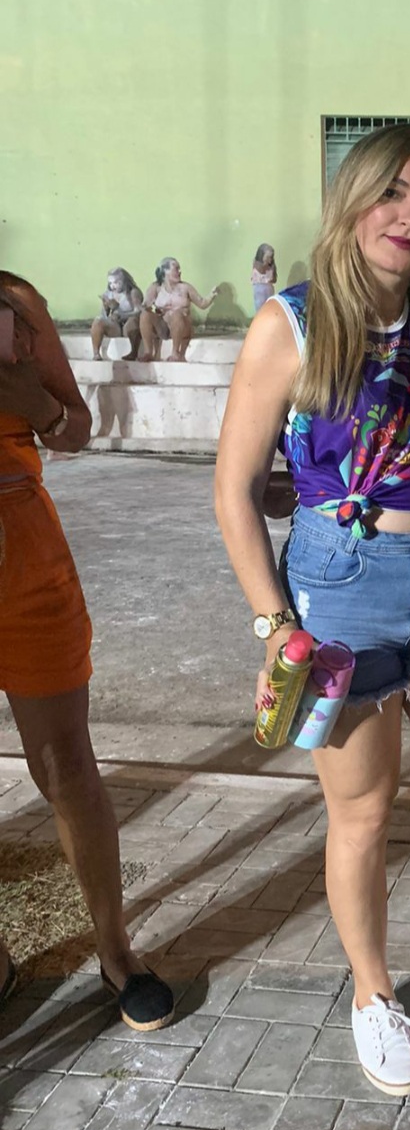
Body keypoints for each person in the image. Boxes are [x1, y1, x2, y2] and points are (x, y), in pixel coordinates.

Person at [215, 124, 410, 1098]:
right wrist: (275, 625)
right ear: (352, 198)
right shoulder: (293, 324)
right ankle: (372, 992)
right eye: (393, 194)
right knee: (363, 812)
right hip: (339, 588)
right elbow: (234, 491)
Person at [0, 272, 174, 1029]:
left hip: (23, 551)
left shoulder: (14, 302)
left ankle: (116, 950)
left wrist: (31, 401)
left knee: (66, 765)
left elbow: (75, 428)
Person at [139, 257, 218, 363]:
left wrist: (212, 296)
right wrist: (158, 310)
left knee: (177, 314)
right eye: (176, 269)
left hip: (182, 327)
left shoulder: (185, 287)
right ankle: (148, 352)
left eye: (179, 269)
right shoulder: (156, 287)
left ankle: (175, 353)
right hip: (163, 326)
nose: (180, 271)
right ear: (165, 271)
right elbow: (144, 306)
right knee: (145, 314)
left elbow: (202, 304)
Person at [91, 268, 143, 361]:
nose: (113, 286)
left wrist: (122, 315)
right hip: (116, 326)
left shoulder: (133, 292)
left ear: (124, 281)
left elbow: (138, 311)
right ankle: (96, 353)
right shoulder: (108, 294)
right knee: (97, 321)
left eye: (116, 282)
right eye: (110, 283)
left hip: (130, 323)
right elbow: (104, 316)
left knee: (133, 321)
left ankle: (133, 352)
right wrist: (106, 307)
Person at [251, 244, 278, 313]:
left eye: (271, 257)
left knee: (270, 308)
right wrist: (264, 265)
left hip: (269, 289)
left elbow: (274, 279)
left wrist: (272, 270)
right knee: (260, 309)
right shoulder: (257, 265)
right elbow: (261, 272)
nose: (269, 260)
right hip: (259, 290)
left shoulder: (272, 266)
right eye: (267, 257)